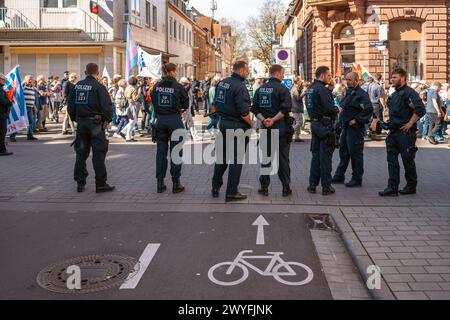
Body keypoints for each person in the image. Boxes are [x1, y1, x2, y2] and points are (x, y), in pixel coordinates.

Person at [67, 63, 115, 194]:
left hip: (82, 124)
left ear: (84, 72)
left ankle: (80, 183)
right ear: (97, 72)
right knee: (98, 155)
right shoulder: (99, 87)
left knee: (81, 154)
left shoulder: (77, 86)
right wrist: (106, 120)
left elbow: (70, 106)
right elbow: (107, 107)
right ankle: (100, 184)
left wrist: (76, 119)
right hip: (95, 125)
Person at [379, 68, 426, 197]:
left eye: (395, 77)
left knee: (408, 161)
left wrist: (410, 123)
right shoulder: (394, 94)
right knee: (392, 161)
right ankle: (392, 188)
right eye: (392, 77)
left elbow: (420, 109)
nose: (392, 80)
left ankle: (411, 186)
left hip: (405, 134)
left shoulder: (410, 93)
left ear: (403, 78)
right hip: (393, 133)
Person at [212, 61, 253, 202]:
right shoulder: (240, 87)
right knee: (236, 160)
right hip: (236, 126)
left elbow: (215, 103)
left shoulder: (223, 83)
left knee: (222, 157)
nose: (248, 73)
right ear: (241, 70)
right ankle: (231, 192)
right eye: (247, 70)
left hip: (223, 123)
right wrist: (251, 123)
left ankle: (215, 186)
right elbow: (243, 112)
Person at [252, 64, 293, 197]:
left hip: (265, 128)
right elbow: (286, 109)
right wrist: (274, 120)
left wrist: (264, 120)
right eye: (282, 73)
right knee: (283, 159)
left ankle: (264, 187)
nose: (283, 75)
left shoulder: (260, 89)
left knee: (266, 159)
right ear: (278, 73)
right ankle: (286, 188)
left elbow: (254, 109)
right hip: (280, 128)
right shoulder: (282, 89)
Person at [150, 63, 189, 194]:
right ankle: (176, 183)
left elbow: (153, 102)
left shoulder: (156, 86)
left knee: (161, 152)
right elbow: (186, 103)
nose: (176, 73)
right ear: (172, 71)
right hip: (174, 121)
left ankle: (160, 182)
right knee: (176, 153)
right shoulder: (178, 86)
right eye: (176, 71)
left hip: (160, 121)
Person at [332, 72, 373, 187]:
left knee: (355, 154)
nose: (347, 81)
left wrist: (357, 120)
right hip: (346, 128)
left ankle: (357, 178)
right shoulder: (349, 92)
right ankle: (339, 176)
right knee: (343, 153)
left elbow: (368, 109)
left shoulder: (361, 94)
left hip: (355, 129)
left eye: (349, 79)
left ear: (356, 80)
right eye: (346, 79)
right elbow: (344, 106)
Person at [305, 66, 340, 196]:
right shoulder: (321, 89)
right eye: (329, 75)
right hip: (325, 126)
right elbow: (329, 108)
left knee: (315, 157)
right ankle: (326, 186)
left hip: (314, 125)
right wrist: (337, 110)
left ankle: (312, 185)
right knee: (325, 158)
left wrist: (329, 90)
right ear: (323, 75)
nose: (330, 78)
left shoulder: (310, 89)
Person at [367, 74, 387, 139]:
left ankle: (371, 132)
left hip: (370, 103)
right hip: (375, 104)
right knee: (375, 119)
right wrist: (384, 106)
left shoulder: (370, 85)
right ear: (380, 79)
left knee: (373, 119)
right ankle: (373, 133)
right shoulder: (378, 86)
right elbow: (381, 98)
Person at [0, 73, 13, 156]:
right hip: (1, 114)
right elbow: (1, 100)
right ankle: (2, 150)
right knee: (2, 131)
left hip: (2, 113)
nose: (4, 81)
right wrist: (9, 102)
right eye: (3, 79)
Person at [22, 75, 39, 141]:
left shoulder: (32, 88)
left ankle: (30, 135)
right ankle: (12, 135)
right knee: (20, 121)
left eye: (32, 79)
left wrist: (34, 107)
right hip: (23, 107)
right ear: (25, 79)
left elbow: (33, 98)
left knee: (30, 121)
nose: (31, 80)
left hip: (30, 107)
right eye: (29, 79)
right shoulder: (23, 86)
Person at [291, 76, 305, 142]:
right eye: (300, 81)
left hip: (297, 108)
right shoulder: (294, 89)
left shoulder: (296, 88)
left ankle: (297, 137)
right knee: (299, 122)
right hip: (296, 108)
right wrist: (304, 93)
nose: (301, 82)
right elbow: (298, 98)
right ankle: (290, 131)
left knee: (298, 122)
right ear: (297, 81)